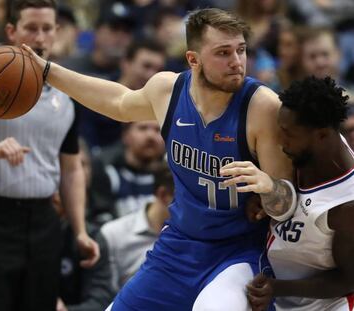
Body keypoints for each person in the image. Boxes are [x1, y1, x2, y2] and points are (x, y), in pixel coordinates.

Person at [22, 8, 295, 310]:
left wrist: (270, 188)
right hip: (180, 244)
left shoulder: (263, 107)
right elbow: (118, 102)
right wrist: (49, 72)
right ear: (193, 60)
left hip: (240, 251)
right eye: (223, 52)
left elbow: (287, 207)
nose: (237, 62)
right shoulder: (169, 89)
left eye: (241, 50)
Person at [0, 1, 99, 310]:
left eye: (46, 29)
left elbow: (71, 168)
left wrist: (80, 230)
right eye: (31, 28)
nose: (39, 38)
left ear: (57, 33)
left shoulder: (68, 93)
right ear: (12, 31)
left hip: (44, 222)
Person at [223, 77, 354, 311]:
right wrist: (264, 200)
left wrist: (278, 287)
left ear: (321, 135)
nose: (279, 141)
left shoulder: (346, 206)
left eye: (287, 133)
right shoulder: (315, 147)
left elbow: (347, 280)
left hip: (325, 304)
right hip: (271, 281)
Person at [100, 162, 173, 292]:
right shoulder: (113, 235)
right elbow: (104, 298)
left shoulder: (198, 236)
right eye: (188, 198)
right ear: (163, 195)